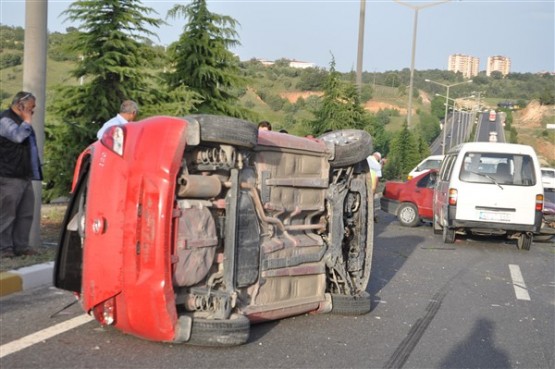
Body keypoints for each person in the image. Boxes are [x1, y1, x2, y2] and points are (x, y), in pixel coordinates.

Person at [0, 91, 42, 257]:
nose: (33, 111)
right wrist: (27, 119)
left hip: (24, 175)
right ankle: (4, 249)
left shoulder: (23, 121)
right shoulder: (5, 120)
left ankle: (21, 246)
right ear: (20, 105)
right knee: (7, 214)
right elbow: (18, 137)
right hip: (9, 175)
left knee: (26, 213)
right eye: (31, 107)